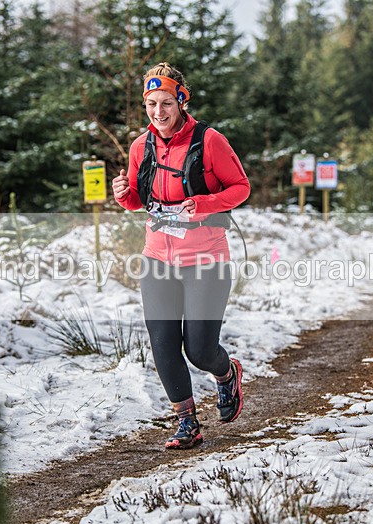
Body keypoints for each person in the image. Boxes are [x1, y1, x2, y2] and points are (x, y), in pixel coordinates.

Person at [112, 62, 251, 450]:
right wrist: (124, 193)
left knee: (201, 349)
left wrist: (205, 204)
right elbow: (141, 200)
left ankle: (226, 375)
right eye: (151, 104)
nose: (158, 112)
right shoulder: (141, 146)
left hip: (206, 256)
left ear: (181, 101)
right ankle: (187, 422)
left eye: (167, 103)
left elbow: (240, 187)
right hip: (157, 257)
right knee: (163, 344)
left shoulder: (209, 141)